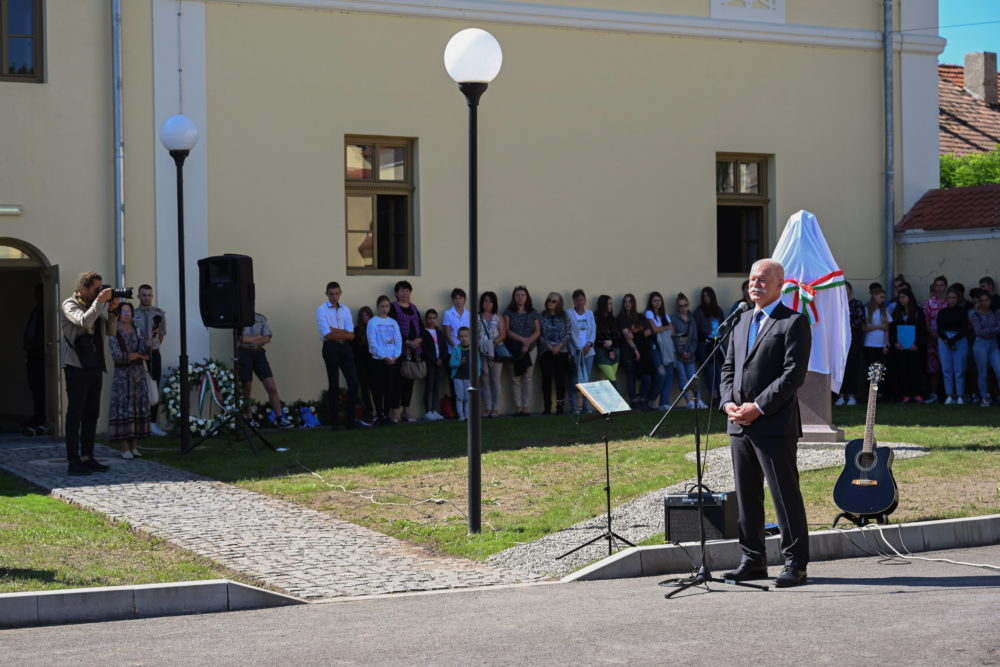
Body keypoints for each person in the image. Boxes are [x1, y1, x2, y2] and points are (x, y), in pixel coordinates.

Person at [720, 258, 811, 588]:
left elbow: (792, 376)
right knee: (746, 496)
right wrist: (729, 403)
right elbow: (728, 369)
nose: (754, 285)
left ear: (780, 286)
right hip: (739, 423)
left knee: (783, 495)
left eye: (761, 280)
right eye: (751, 279)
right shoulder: (741, 321)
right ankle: (753, 559)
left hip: (773, 424)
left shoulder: (793, 323)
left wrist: (757, 407)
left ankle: (795, 563)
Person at [60, 272, 119, 475]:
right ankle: (73, 460)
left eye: (101, 289)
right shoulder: (70, 304)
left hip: (94, 365)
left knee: (91, 414)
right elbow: (85, 322)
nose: (99, 293)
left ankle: (87, 456)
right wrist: (100, 302)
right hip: (76, 366)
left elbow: (110, 332)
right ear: (83, 288)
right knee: (75, 414)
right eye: (96, 289)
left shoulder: (96, 305)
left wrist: (112, 311)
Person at [317, 281, 364, 430]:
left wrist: (336, 331)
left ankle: (351, 421)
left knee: (353, 383)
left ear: (340, 293)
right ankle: (335, 423)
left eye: (336, 293)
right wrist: (341, 333)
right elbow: (327, 334)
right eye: (331, 294)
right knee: (334, 385)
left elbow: (351, 335)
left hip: (345, 348)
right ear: (326, 294)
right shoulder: (321, 309)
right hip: (330, 348)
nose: (334, 296)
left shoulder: (345, 310)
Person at [108, 302, 151, 458]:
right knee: (123, 410)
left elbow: (144, 354)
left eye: (129, 311)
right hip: (122, 377)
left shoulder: (138, 330)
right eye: (124, 311)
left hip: (138, 376)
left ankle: (134, 446)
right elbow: (117, 356)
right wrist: (136, 356)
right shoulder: (114, 331)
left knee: (137, 408)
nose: (127, 314)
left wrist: (147, 346)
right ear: (119, 314)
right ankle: (124, 447)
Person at [239, 312, 293, 428]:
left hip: (259, 354)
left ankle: (280, 418)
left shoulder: (261, 318)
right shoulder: (239, 318)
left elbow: (267, 338)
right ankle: (249, 419)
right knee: (247, 389)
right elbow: (242, 338)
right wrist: (259, 338)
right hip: (244, 353)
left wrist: (252, 339)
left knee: (271, 387)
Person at [133, 284, 167, 436]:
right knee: (139, 388)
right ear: (139, 296)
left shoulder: (158, 313)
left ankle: (153, 423)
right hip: (138, 355)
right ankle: (140, 423)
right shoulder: (133, 314)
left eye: (149, 295)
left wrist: (154, 345)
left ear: (152, 296)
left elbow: (161, 335)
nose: (147, 298)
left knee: (154, 387)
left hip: (154, 354)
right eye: (144, 295)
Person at [389, 280, 424, 423]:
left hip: (415, 351)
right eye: (402, 290)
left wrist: (418, 340)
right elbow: (392, 328)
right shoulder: (393, 307)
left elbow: (421, 327)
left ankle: (407, 411)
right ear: (396, 293)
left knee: (410, 381)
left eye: (407, 290)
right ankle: (394, 412)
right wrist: (407, 341)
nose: (405, 293)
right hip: (399, 351)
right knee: (397, 382)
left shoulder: (414, 308)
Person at [503, 286, 541, 417]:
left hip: (531, 348)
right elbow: (506, 330)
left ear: (527, 297)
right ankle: (518, 407)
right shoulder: (508, 312)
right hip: (513, 348)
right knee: (515, 378)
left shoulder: (533, 312)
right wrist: (522, 340)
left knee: (527, 378)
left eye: (523, 295)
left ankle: (526, 407)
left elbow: (538, 331)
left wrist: (528, 342)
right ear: (514, 297)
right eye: (518, 295)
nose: (520, 297)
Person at [367, 295, 402, 424]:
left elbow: (398, 340)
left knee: (389, 388)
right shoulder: (373, 322)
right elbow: (372, 342)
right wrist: (384, 357)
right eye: (382, 306)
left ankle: (387, 415)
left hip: (392, 360)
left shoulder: (393, 322)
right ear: (377, 307)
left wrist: (395, 356)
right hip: (378, 360)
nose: (384, 309)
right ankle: (379, 414)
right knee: (378, 388)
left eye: (387, 306)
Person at [889, 288, 926, 403]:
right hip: (900, 347)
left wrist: (917, 344)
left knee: (915, 370)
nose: (901, 300)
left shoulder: (918, 312)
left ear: (909, 298)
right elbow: (892, 329)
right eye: (900, 297)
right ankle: (905, 394)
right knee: (902, 370)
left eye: (903, 297)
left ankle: (917, 393)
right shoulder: (896, 312)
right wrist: (895, 343)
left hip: (914, 348)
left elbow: (922, 329)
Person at [538, 292, 571, 416]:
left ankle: (560, 407)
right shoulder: (542, 315)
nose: (550, 303)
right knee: (546, 380)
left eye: (553, 301)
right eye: (549, 301)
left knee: (560, 381)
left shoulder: (565, 315)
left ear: (559, 303)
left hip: (561, 352)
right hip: (546, 351)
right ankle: (547, 408)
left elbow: (568, 332)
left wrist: (560, 345)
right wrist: (549, 346)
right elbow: (539, 333)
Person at [672, 292, 705, 409]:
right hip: (679, 355)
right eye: (681, 306)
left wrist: (690, 351)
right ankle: (688, 401)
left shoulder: (691, 318)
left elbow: (694, 338)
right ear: (677, 307)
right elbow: (674, 337)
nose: (683, 308)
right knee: (682, 377)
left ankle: (699, 400)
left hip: (690, 354)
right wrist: (681, 352)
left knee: (692, 377)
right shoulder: (674, 319)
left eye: (685, 305)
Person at [617, 293, 651, 409]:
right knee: (631, 376)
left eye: (630, 301)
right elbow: (627, 336)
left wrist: (636, 334)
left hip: (643, 351)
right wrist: (635, 349)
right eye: (625, 302)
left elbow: (649, 331)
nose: (627, 304)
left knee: (646, 376)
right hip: (628, 352)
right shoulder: (622, 317)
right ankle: (633, 401)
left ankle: (642, 398)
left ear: (633, 303)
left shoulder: (640, 316)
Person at [835, 281, 865, 406]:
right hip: (838, 339)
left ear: (850, 290)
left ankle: (852, 395)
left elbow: (859, 320)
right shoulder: (837, 303)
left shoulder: (857, 304)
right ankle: (840, 395)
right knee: (840, 367)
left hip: (854, 339)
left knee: (853, 367)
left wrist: (845, 326)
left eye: (846, 288)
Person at [937, 285, 969, 405]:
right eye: (949, 297)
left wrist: (953, 341)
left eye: (954, 297)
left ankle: (960, 395)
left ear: (958, 298)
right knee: (947, 369)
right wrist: (947, 340)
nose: (951, 300)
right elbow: (939, 328)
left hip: (959, 340)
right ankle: (949, 395)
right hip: (944, 340)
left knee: (959, 369)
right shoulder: (942, 312)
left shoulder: (962, 312)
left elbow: (964, 328)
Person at [22, 283, 47, 435]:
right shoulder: (36, 310)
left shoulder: (45, 311)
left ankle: (43, 418)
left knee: (42, 388)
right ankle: (38, 415)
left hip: (41, 355)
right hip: (32, 355)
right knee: (34, 386)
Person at [694, 286, 725, 407]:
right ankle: (714, 396)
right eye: (704, 296)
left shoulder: (718, 310)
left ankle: (722, 396)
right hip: (705, 346)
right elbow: (696, 329)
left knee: (720, 369)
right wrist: (706, 339)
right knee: (710, 371)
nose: (706, 298)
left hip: (718, 344)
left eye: (708, 296)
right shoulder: (699, 311)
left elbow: (723, 327)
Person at [969, 288, 1000, 407]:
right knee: (983, 373)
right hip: (980, 345)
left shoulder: (995, 314)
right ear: (979, 302)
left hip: (993, 344)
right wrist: (991, 331)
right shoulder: (975, 315)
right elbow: (978, 332)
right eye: (982, 300)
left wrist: (988, 331)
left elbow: (998, 329)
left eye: (986, 300)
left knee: (999, 372)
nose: (984, 302)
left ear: (990, 301)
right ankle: (985, 398)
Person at [566, 289, 596, 414]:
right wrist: (579, 348)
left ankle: (586, 406)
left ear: (585, 301)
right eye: (577, 300)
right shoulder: (569, 313)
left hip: (588, 352)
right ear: (574, 301)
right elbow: (571, 332)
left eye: (582, 299)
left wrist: (589, 345)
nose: (580, 302)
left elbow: (593, 330)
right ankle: (574, 406)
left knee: (586, 380)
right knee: (575, 380)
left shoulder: (589, 313)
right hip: (575, 352)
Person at [478, 291, 507, 418]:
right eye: (485, 300)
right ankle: (487, 408)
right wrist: (483, 346)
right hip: (481, 352)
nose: (487, 303)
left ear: (494, 303)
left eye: (490, 301)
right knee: (484, 380)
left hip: (495, 350)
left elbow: (503, 334)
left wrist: (492, 343)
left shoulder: (498, 317)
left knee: (495, 380)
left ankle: (495, 408)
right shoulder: (477, 317)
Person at [645, 291, 675, 410]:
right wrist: (666, 328)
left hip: (667, 347)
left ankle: (664, 402)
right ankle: (651, 398)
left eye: (659, 300)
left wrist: (665, 328)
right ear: (651, 303)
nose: (657, 303)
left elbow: (673, 332)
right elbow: (655, 329)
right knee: (661, 374)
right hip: (655, 346)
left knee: (669, 374)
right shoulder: (649, 313)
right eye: (654, 301)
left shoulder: (665, 316)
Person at [923, 275, 949, 404]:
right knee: (933, 368)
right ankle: (934, 394)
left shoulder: (948, 302)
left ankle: (948, 394)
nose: (939, 288)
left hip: (947, 340)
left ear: (946, 287)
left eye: (942, 285)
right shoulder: (929, 302)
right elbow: (926, 320)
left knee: (947, 366)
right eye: (937, 285)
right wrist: (932, 334)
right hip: (933, 339)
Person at [862, 286, 890, 398]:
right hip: (869, 344)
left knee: (880, 369)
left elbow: (887, 329)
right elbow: (864, 328)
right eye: (881, 297)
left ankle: (879, 393)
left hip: (880, 344)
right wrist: (879, 326)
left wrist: (886, 344)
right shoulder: (866, 310)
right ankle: (870, 392)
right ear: (874, 296)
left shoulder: (884, 310)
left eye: (884, 297)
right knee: (870, 369)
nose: (882, 299)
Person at [422, 308, 447, 421]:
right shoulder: (424, 333)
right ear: (426, 319)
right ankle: (428, 411)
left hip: (439, 364)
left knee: (437, 386)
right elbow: (424, 350)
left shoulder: (440, 333)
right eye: (429, 318)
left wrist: (442, 359)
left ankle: (435, 410)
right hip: (429, 364)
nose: (431, 320)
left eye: (433, 318)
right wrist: (433, 360)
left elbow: (444, 349)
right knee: (429, 386)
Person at [449, 326, 478, 421]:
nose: (464, 338)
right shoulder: (456, 349)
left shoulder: (473, 349)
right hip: (458, 376)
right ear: (458, 337)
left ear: (469, 337)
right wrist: (459, 362)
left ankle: (467, 414)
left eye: (466, 336)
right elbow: (451, 363)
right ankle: (460, 415)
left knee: (467, 397)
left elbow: (478, 363)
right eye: (461, 336)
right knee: (460, 396)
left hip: (469, 376)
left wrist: (477, 374)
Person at [352, 306, 376, 423]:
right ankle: (370, 412)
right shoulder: (356, 331)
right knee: (365, 388)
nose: (365, 318)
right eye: (363, 316)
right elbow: (353, 349)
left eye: (367, 315)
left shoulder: (375, 328)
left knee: (375, 387)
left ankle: (379, 412)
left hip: (373, 362)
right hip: (360, 364)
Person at [593, 295, 621, 386]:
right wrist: (609, 348)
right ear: (602, 305)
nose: (611, 306)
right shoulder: (595, 318)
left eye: (611, 304)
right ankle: (618, 400)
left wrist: (612, 342)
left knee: (610, 381)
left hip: (615, 351)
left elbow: (618, 335)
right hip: (602, 351)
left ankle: (607, 400)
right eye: (609, 304)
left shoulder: (612, 319)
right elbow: (596, 337)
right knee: (612, 380)